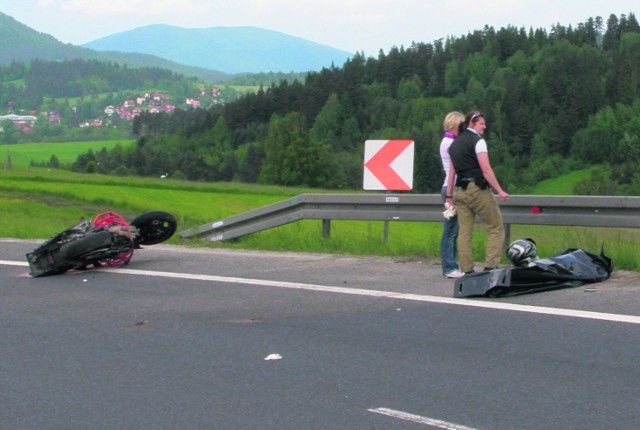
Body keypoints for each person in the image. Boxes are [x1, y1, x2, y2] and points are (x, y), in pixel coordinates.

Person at [445, 111, 509, 274]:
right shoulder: (478, 142)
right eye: (481, 123)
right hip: (476, 189)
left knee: (465, 232)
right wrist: (500, 190)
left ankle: (467, 270)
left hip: (459, 191)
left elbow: (452, 173)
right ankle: (490, 267)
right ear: (472, 124)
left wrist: (449, 195)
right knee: (495, 227)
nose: (484, 127)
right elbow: (486, 169)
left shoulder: (455, 144)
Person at [439, 111, 466, 279]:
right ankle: (449, 266)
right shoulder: (450, 143)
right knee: (450, 230)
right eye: (460, 126)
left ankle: (451, 264)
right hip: (451, 188)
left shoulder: (448, 141)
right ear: (453, 126)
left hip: (451, 187)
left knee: (453, 229)